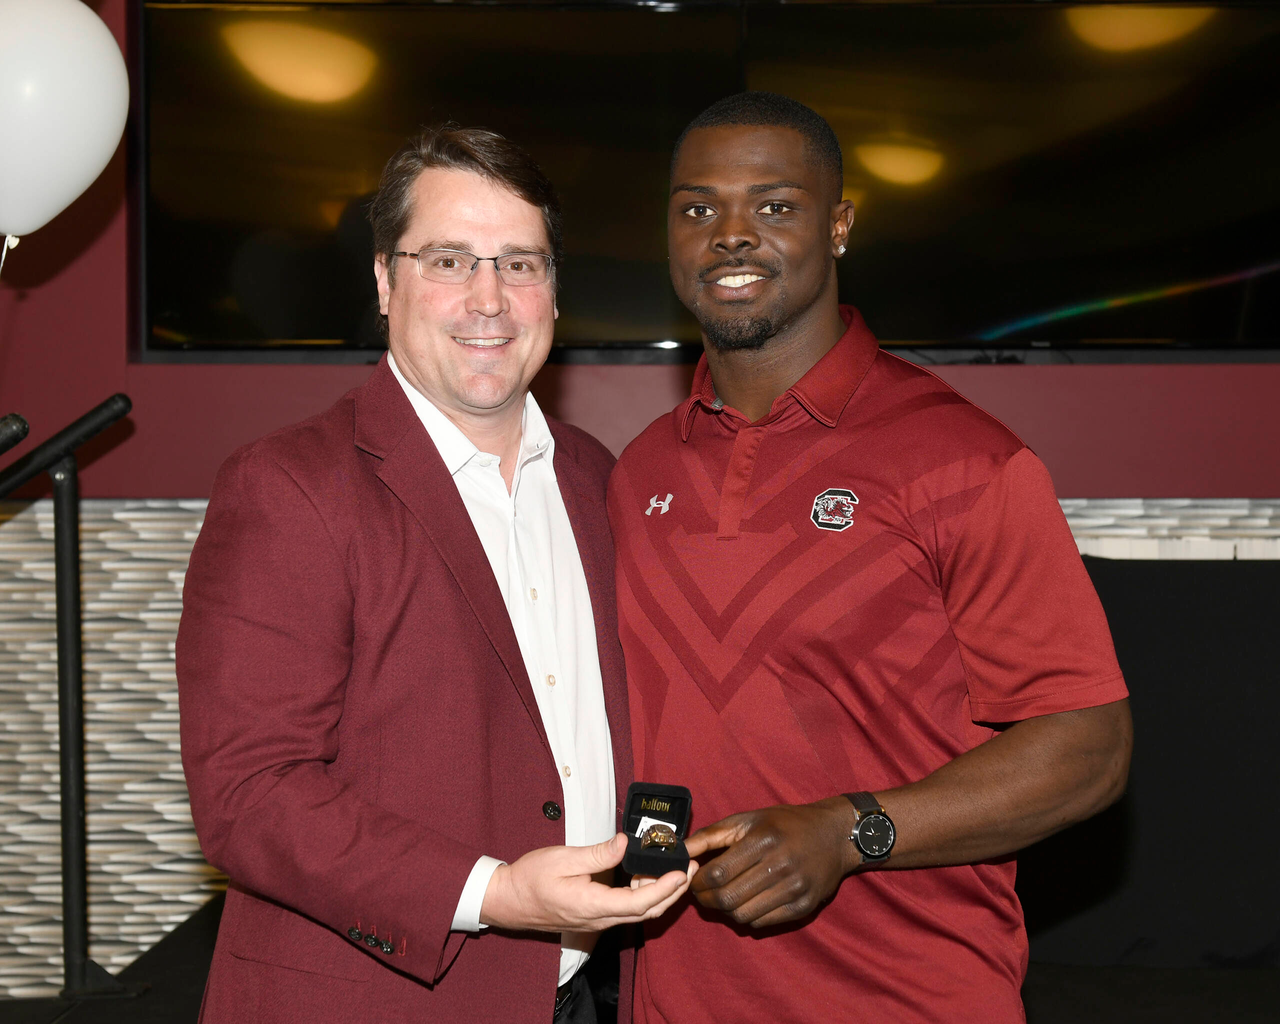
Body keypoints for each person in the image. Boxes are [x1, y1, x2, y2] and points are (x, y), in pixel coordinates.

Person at [607, 92, 1133, 1022]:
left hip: (906, 999)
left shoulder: (964, 461)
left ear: (839, 226)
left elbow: (1089, 748)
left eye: (775, 205)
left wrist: (852, 832)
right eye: (697, 208)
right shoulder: (640, 469)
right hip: (677, 1000)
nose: (731, 234)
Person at [177, 126, 690, 1024]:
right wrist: (494, 893)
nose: (489, 299)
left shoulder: (597, 478)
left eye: (520, 264)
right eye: (449, 261)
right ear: (385, 281)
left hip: (578, 995)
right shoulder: (289, 486)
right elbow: (249, 796)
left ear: (554, 290)